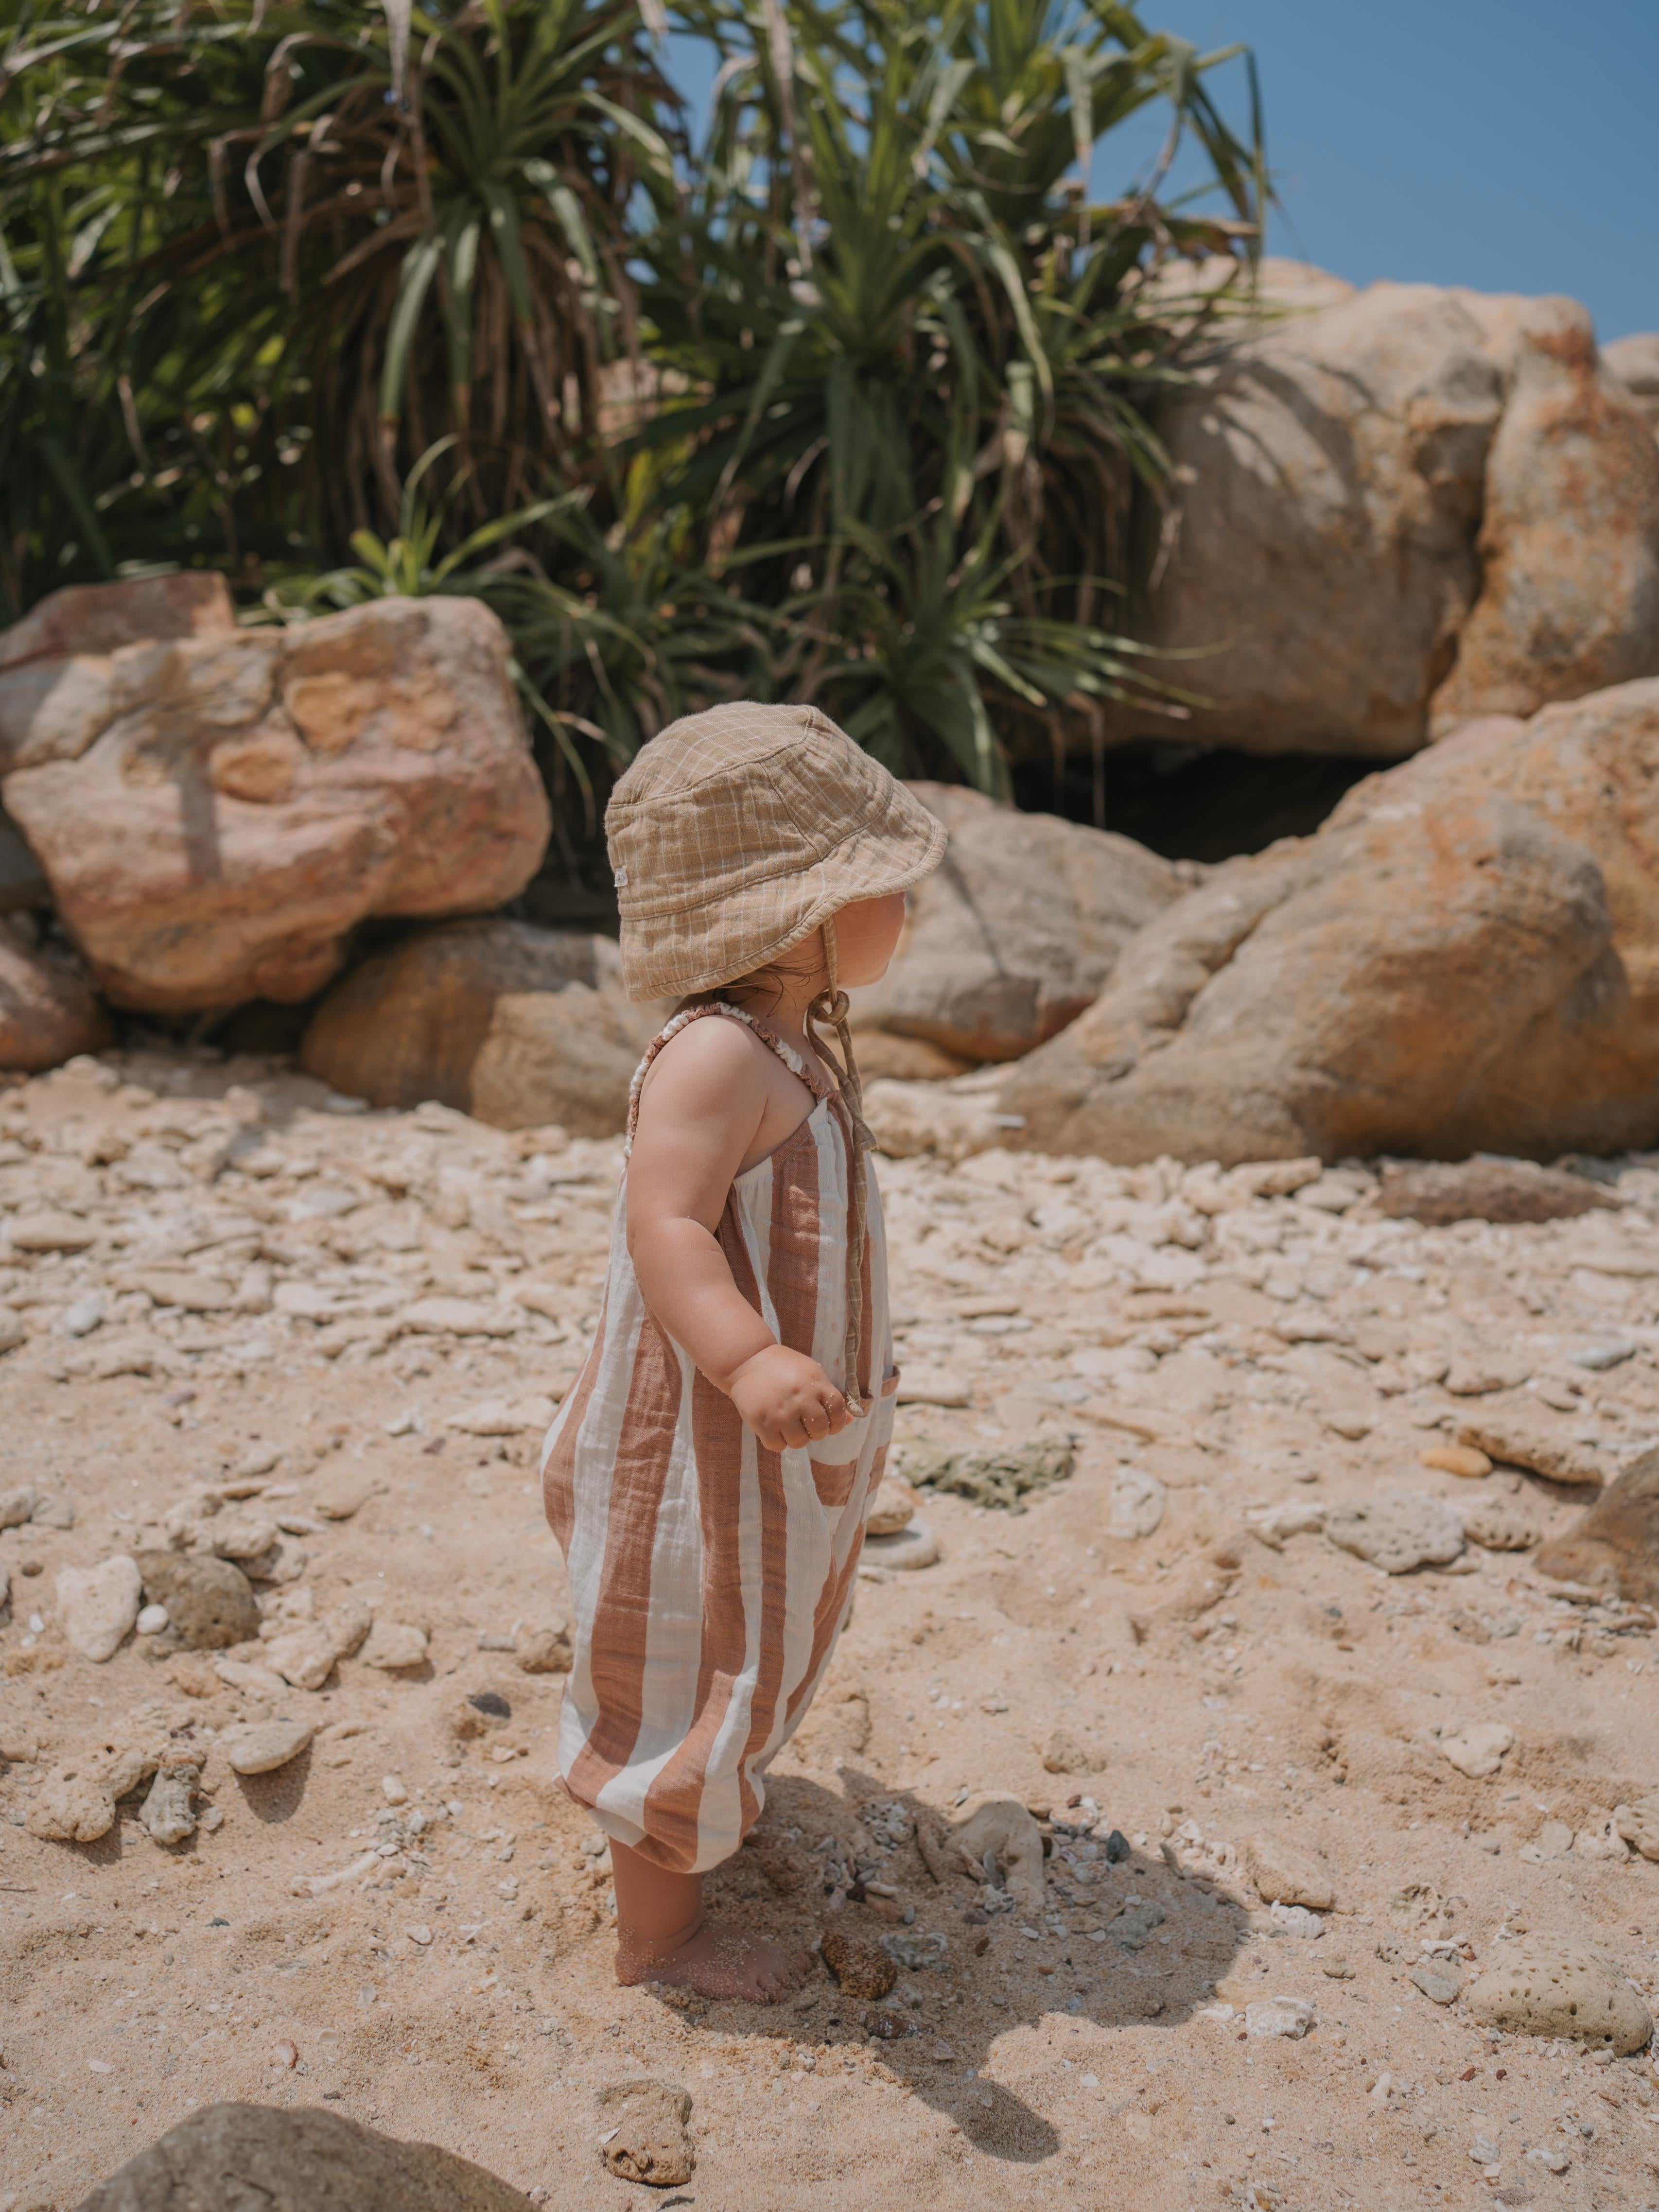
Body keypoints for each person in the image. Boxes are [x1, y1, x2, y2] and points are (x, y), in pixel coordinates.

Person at [541, 702, 946, 2001]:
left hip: (771, 1447)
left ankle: (716, 1797)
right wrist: (749, 1358)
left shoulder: (788, 1041)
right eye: (882, 885)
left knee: (763, 1631)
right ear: (794, 918)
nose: (906, 906)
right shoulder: (717, 1056)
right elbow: (665, 1225)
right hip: (699, 1447)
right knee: (682, 1648)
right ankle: (659, 1939)